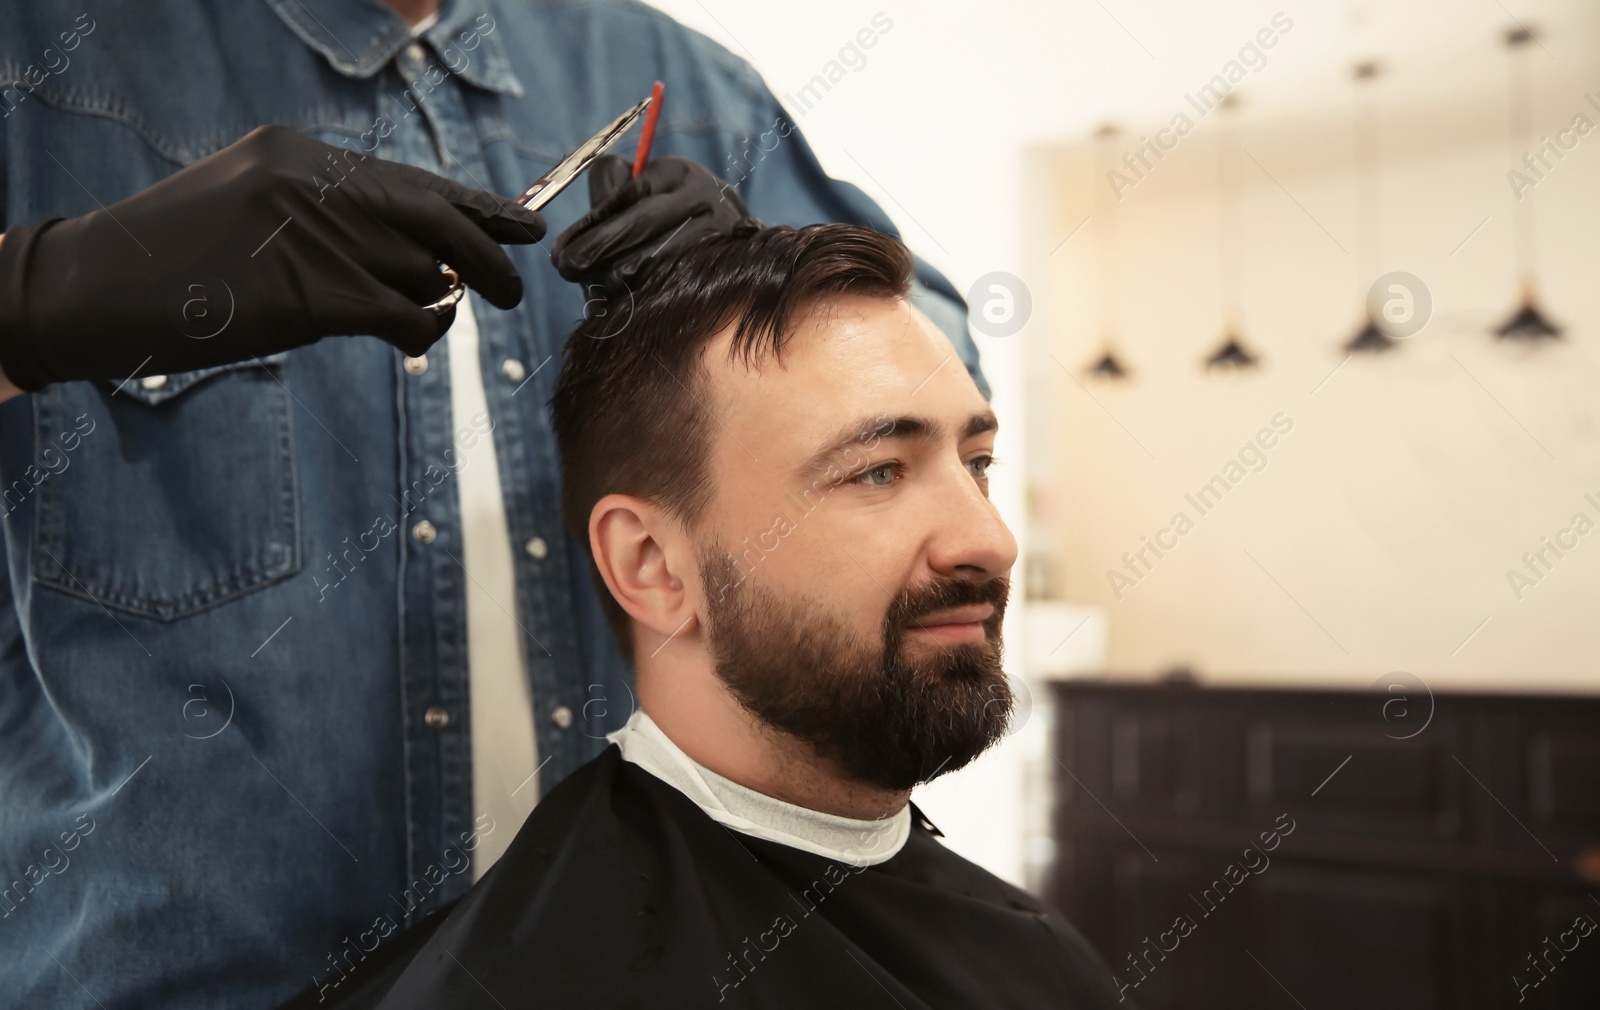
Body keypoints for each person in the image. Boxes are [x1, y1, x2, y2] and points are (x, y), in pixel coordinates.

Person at [0, 2, 986, 1008]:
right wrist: (37, 293)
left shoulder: (680, 85)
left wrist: (772, 281)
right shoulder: (36, 61)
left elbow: (941, 368)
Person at [280, 223, 1123, 1009]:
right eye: (877, 471)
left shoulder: (1042, 955)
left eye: (977, 462)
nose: (991, 539)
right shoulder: (520, 978)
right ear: (652, 566)